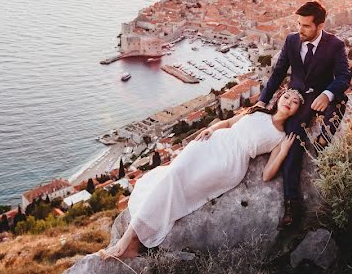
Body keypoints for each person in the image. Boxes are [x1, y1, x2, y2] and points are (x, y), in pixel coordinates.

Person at [100, 89, 303, 260]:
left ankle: (129, 238)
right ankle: (133, 240)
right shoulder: (257, 111)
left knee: (178, 183)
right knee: (173, 173)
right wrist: (210, 128)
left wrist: (283, 151)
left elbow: (267, 175)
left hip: (229, 162)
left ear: (296, 111)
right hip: (214, 142)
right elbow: (229, 123)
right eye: (287, 97)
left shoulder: (281, 137)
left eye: (295, 102)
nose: (289, 102)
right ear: (279, 98)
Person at [254, 0, 352, 227]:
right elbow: (278, 73)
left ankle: (324, 142)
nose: (300, 30)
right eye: (298, 24)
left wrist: (327, 94)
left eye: (306, 26)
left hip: (322, 95)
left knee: (334, 111)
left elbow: (344, 77)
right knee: (293, 142)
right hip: (298, 98)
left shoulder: (335, 45)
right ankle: (292, 203)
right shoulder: (291, 40)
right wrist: (262, 101)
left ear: (320, 25)